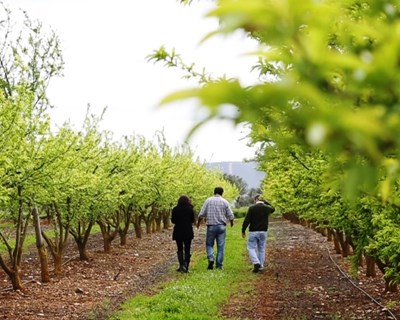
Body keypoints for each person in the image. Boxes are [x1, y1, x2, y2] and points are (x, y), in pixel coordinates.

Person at [197, 187, 235, 270]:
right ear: (222, 193)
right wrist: (231, 222)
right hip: (221, 226)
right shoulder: (225, 202)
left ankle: (211, 258)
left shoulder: (208, 200)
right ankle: (219, 265)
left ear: (214, 192)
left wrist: (198, 223)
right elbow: (231, 215)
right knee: (221, 246)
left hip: (211, 226)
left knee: (209, 244)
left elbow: (201, 214)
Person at [242, 194, 275, 273]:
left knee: (251, 248)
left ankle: (256, 262)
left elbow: (247, 220)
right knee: (261, 249)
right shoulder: (267, 208)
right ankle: (261, 267)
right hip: (263, 231)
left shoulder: (252, 208)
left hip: (253, 231)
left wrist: (243, 230)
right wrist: (266, 202)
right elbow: (273, 209)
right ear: (263, 200)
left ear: (255, 200)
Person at [171, 195, 195, 273]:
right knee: (187, 248)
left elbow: (173, 221)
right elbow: (192, 220)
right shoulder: (190, 209)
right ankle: (186, 266)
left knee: (180, 248)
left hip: (178, 231)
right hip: (188, 230)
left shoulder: (175, 209)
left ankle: (181, 266)